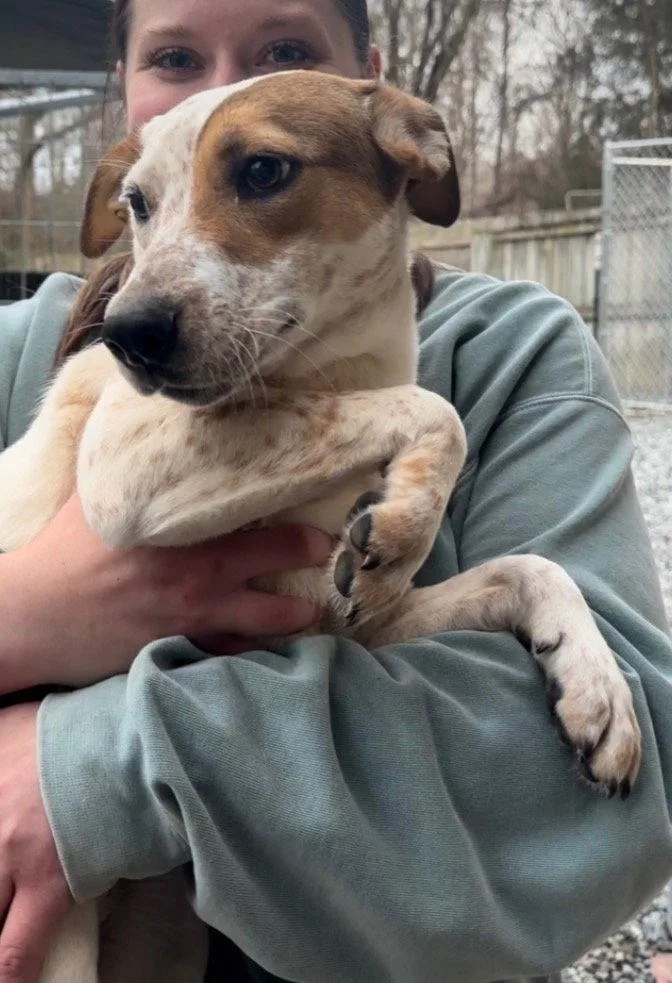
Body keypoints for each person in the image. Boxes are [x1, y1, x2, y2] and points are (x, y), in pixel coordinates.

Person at [0, 1, 671, 981]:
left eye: (282, 57)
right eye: (175, 57)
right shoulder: (38, 347)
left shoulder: (518, 354)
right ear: (125, 97)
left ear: (378, 96)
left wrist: (81, 770)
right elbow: (122, 501)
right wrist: (23, 612)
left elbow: (606, 801)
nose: (223, 90)